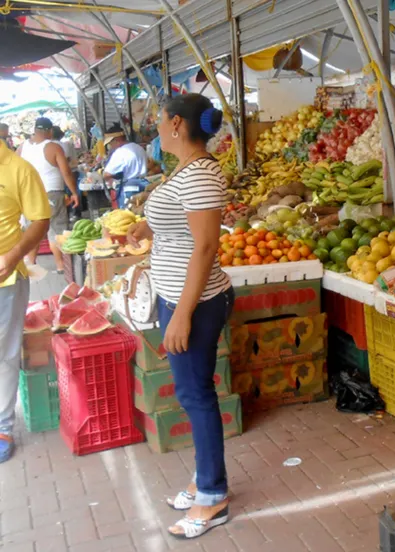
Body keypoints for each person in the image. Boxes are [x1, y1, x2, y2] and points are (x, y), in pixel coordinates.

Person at [126, 94, 233, 539]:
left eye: (159, 120)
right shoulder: (187, 169)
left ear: (176, 124)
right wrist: (147, 226)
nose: (155, 127)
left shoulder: (202, 174)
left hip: (197, 302)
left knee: (195, 395)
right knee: (193, 394)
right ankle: (203, 477)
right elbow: (182, 221)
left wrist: (182, 314)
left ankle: (213, 496)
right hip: (179, 297)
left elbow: (206, 247)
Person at [0, 139, 51, 463]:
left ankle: (2, 427)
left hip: (5, 280)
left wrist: (14, 255)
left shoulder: (19, 169)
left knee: (4, 354)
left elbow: (40, 219)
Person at [18, 118, 80, 274]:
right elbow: (66, 172)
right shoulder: (53, 147)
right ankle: (60, 265)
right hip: (52, 193)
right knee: (57, 230)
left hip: (29, 194)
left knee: (33, 230)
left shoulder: (22, 147)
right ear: (50, 131)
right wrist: (74, 192)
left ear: (35, 129)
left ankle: (30, 264)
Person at [102, 126, 148, 209]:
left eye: (110, 143)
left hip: (129, 188)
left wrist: (112, 176)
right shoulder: (138, 148)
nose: (111, 146)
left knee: (128, 213)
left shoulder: (120, 152)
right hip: (144, 184)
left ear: (117, 140)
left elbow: (107, 174)